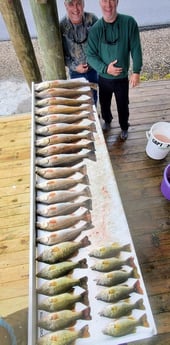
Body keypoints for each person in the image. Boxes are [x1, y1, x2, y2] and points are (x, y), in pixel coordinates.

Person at [86, 0, 143, 139]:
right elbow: (90, 55)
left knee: (123, 104)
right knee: (104, 104)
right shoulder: (95, 29)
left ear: (117, 1)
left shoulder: (129, 23)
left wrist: (136, 71)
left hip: (122, 79)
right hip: (104, 78)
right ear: (100, 2)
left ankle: (124, 126)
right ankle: (107, 121)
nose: (108, 4)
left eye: (112, 0)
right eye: (105, 0)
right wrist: (105, 69)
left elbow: (136, 48)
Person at [60, 0, 98, 105]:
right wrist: (74, 66)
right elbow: (60, 55)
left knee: (93, 95)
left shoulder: (92, 19)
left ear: (83, 4)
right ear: (66, 6)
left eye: (78, 4)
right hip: (75, 71)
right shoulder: (62, 26)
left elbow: (102, 44)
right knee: (80, 98)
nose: (76, 9)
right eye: (71, 4)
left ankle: (94, 114)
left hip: (93, 69)